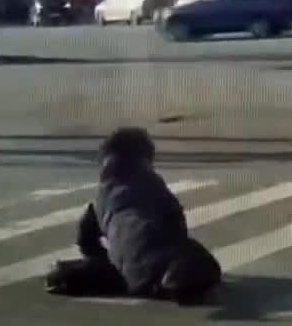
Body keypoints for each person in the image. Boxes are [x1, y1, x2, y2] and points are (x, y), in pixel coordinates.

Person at [44, 127, 222, 304]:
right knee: (199, 257)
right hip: (158, 258)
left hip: (129, 271)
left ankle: (69, 273)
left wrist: (110, 255)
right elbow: (176, 221)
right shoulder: (151, 183)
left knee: (123, 267)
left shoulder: (103, 194)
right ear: (144, 158)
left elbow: (85, 239)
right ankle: (174, 281)